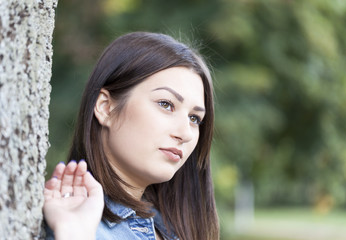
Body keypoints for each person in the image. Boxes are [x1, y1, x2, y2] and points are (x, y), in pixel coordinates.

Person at [43, 32, 219, 240]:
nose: (185, 133)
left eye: (194, 118)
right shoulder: (73, 224)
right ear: (105, 107)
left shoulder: (173, 229)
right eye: (166, 104)